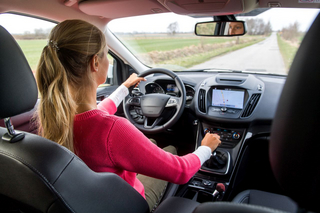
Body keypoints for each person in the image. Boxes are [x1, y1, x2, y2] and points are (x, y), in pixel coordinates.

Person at [36, 19, 221, 211]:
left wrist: (123, 89)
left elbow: (97, 115)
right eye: (107, 54)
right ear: (95, 63)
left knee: (152, 143)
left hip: (89, 204)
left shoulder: (55, 119)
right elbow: (181, 171)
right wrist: (205, 148)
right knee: (171, 149)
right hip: (131, 204)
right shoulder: (113, 130)